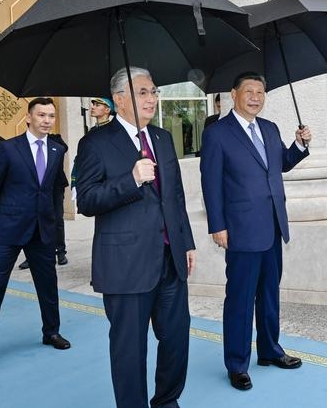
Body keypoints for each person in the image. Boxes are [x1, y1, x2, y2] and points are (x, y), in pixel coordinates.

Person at [76, 67, 196, 408]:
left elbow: (175, 196)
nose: (152, 99)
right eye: (142, 92)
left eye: (154, 92)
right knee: (129, 350)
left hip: (170, 260)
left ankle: (166, 402)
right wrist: (130, 180)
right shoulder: (95, 143)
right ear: (119, 100)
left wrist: (186, 242)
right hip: (125, 266)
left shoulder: (162, 138)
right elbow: (86, 200)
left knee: (176, 339)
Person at [200, 72, 312, 391]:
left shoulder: (270, 128)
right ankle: (237, 363)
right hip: (240, 230)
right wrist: (217, 225)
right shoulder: (218, 134)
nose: (255, 97)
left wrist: (300, 145)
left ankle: (269, 351)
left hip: (273, 225)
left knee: (269, 294)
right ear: (233, 94)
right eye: (248, 91)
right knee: (240, 299)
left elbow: (281, 164)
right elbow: (210, 183)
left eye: (260, 92)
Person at [0, 97, 71, 350]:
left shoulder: (57, 149)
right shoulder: (9, 148)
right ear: (28, 117)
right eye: (41, 115)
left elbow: (52, 190)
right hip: (9, 228)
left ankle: (51, 332)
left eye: (51, 116)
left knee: (48, 284)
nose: (47, 120)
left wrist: (53, 222)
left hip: (43, 229)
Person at [18, 132, 69, 269]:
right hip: (35, 189)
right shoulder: (23, 144)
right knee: (34, 220)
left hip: (55, 188)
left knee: (57, 220)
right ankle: (31, 256)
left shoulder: (55, 139)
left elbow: (64, 148)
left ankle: (60, 252)